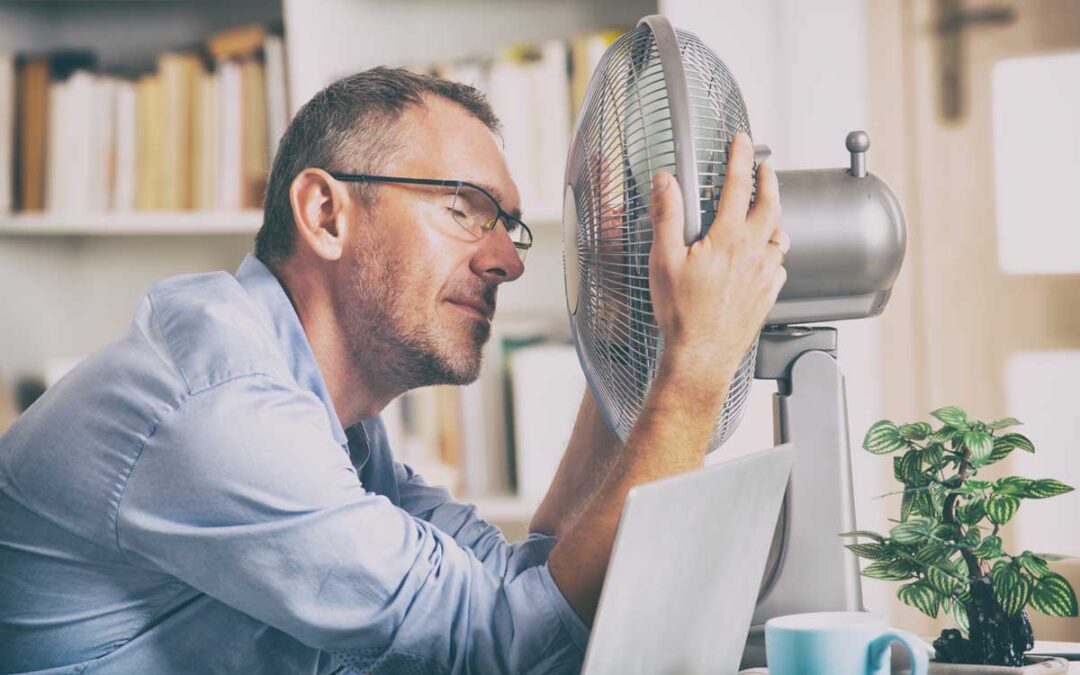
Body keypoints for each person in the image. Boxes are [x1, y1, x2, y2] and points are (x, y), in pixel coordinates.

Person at [0, 67, 788, 674]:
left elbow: (527, 584)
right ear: (325, 214)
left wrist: (630, 340)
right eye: (464, 208)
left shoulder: (327, 417)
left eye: (510, 225)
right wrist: (696, 366)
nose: (509, 259)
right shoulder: (224, 413)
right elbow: (507, 649)